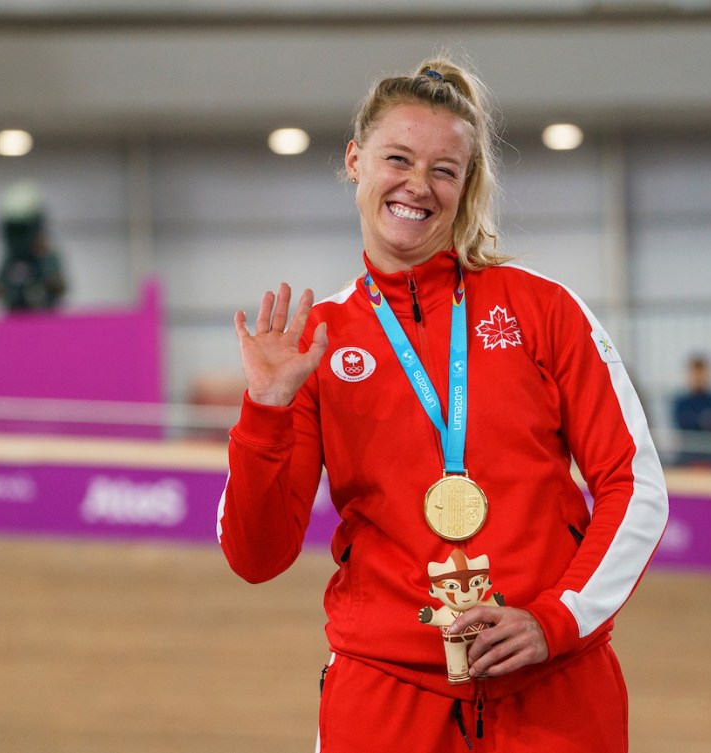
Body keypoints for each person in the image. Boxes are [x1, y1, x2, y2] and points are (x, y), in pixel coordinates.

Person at [216, 54, 668, 753]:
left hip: (555, 689)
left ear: (467, 185)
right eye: (397, 158)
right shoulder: (313, 342)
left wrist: (555, 619)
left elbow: (633, 485)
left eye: (443, 170)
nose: (416, 186)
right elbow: (255, 555)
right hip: (385, 698)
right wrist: (267, 409)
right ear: (355, 161)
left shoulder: (542, 309)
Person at [0, 181, 67, 312]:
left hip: (44, 318)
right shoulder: (10, 257)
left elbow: (60, 288)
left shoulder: (47, 256)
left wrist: (44, 259)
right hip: (15, 318)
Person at [671, 353, 711, 467]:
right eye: (695, 374)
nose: (698, 378)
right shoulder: (681, 403)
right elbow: (683, 427)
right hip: (687, 455)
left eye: (701, 374)